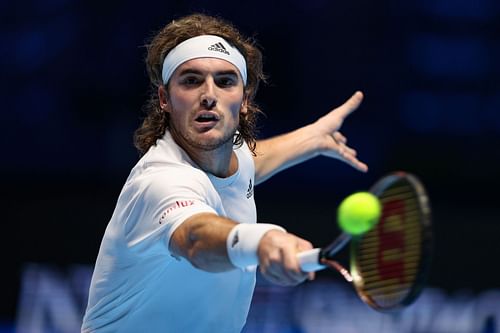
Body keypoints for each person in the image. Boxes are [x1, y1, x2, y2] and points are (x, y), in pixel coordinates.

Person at [82, 13, 368, 333]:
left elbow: (250, 163)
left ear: (244, 100)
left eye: (225, 81)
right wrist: (263, 241)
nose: (209, 94)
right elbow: (195, 237)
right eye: (191, 80)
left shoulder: (231, 157)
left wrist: (310, 138)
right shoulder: (160, 181)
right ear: (164, 98)